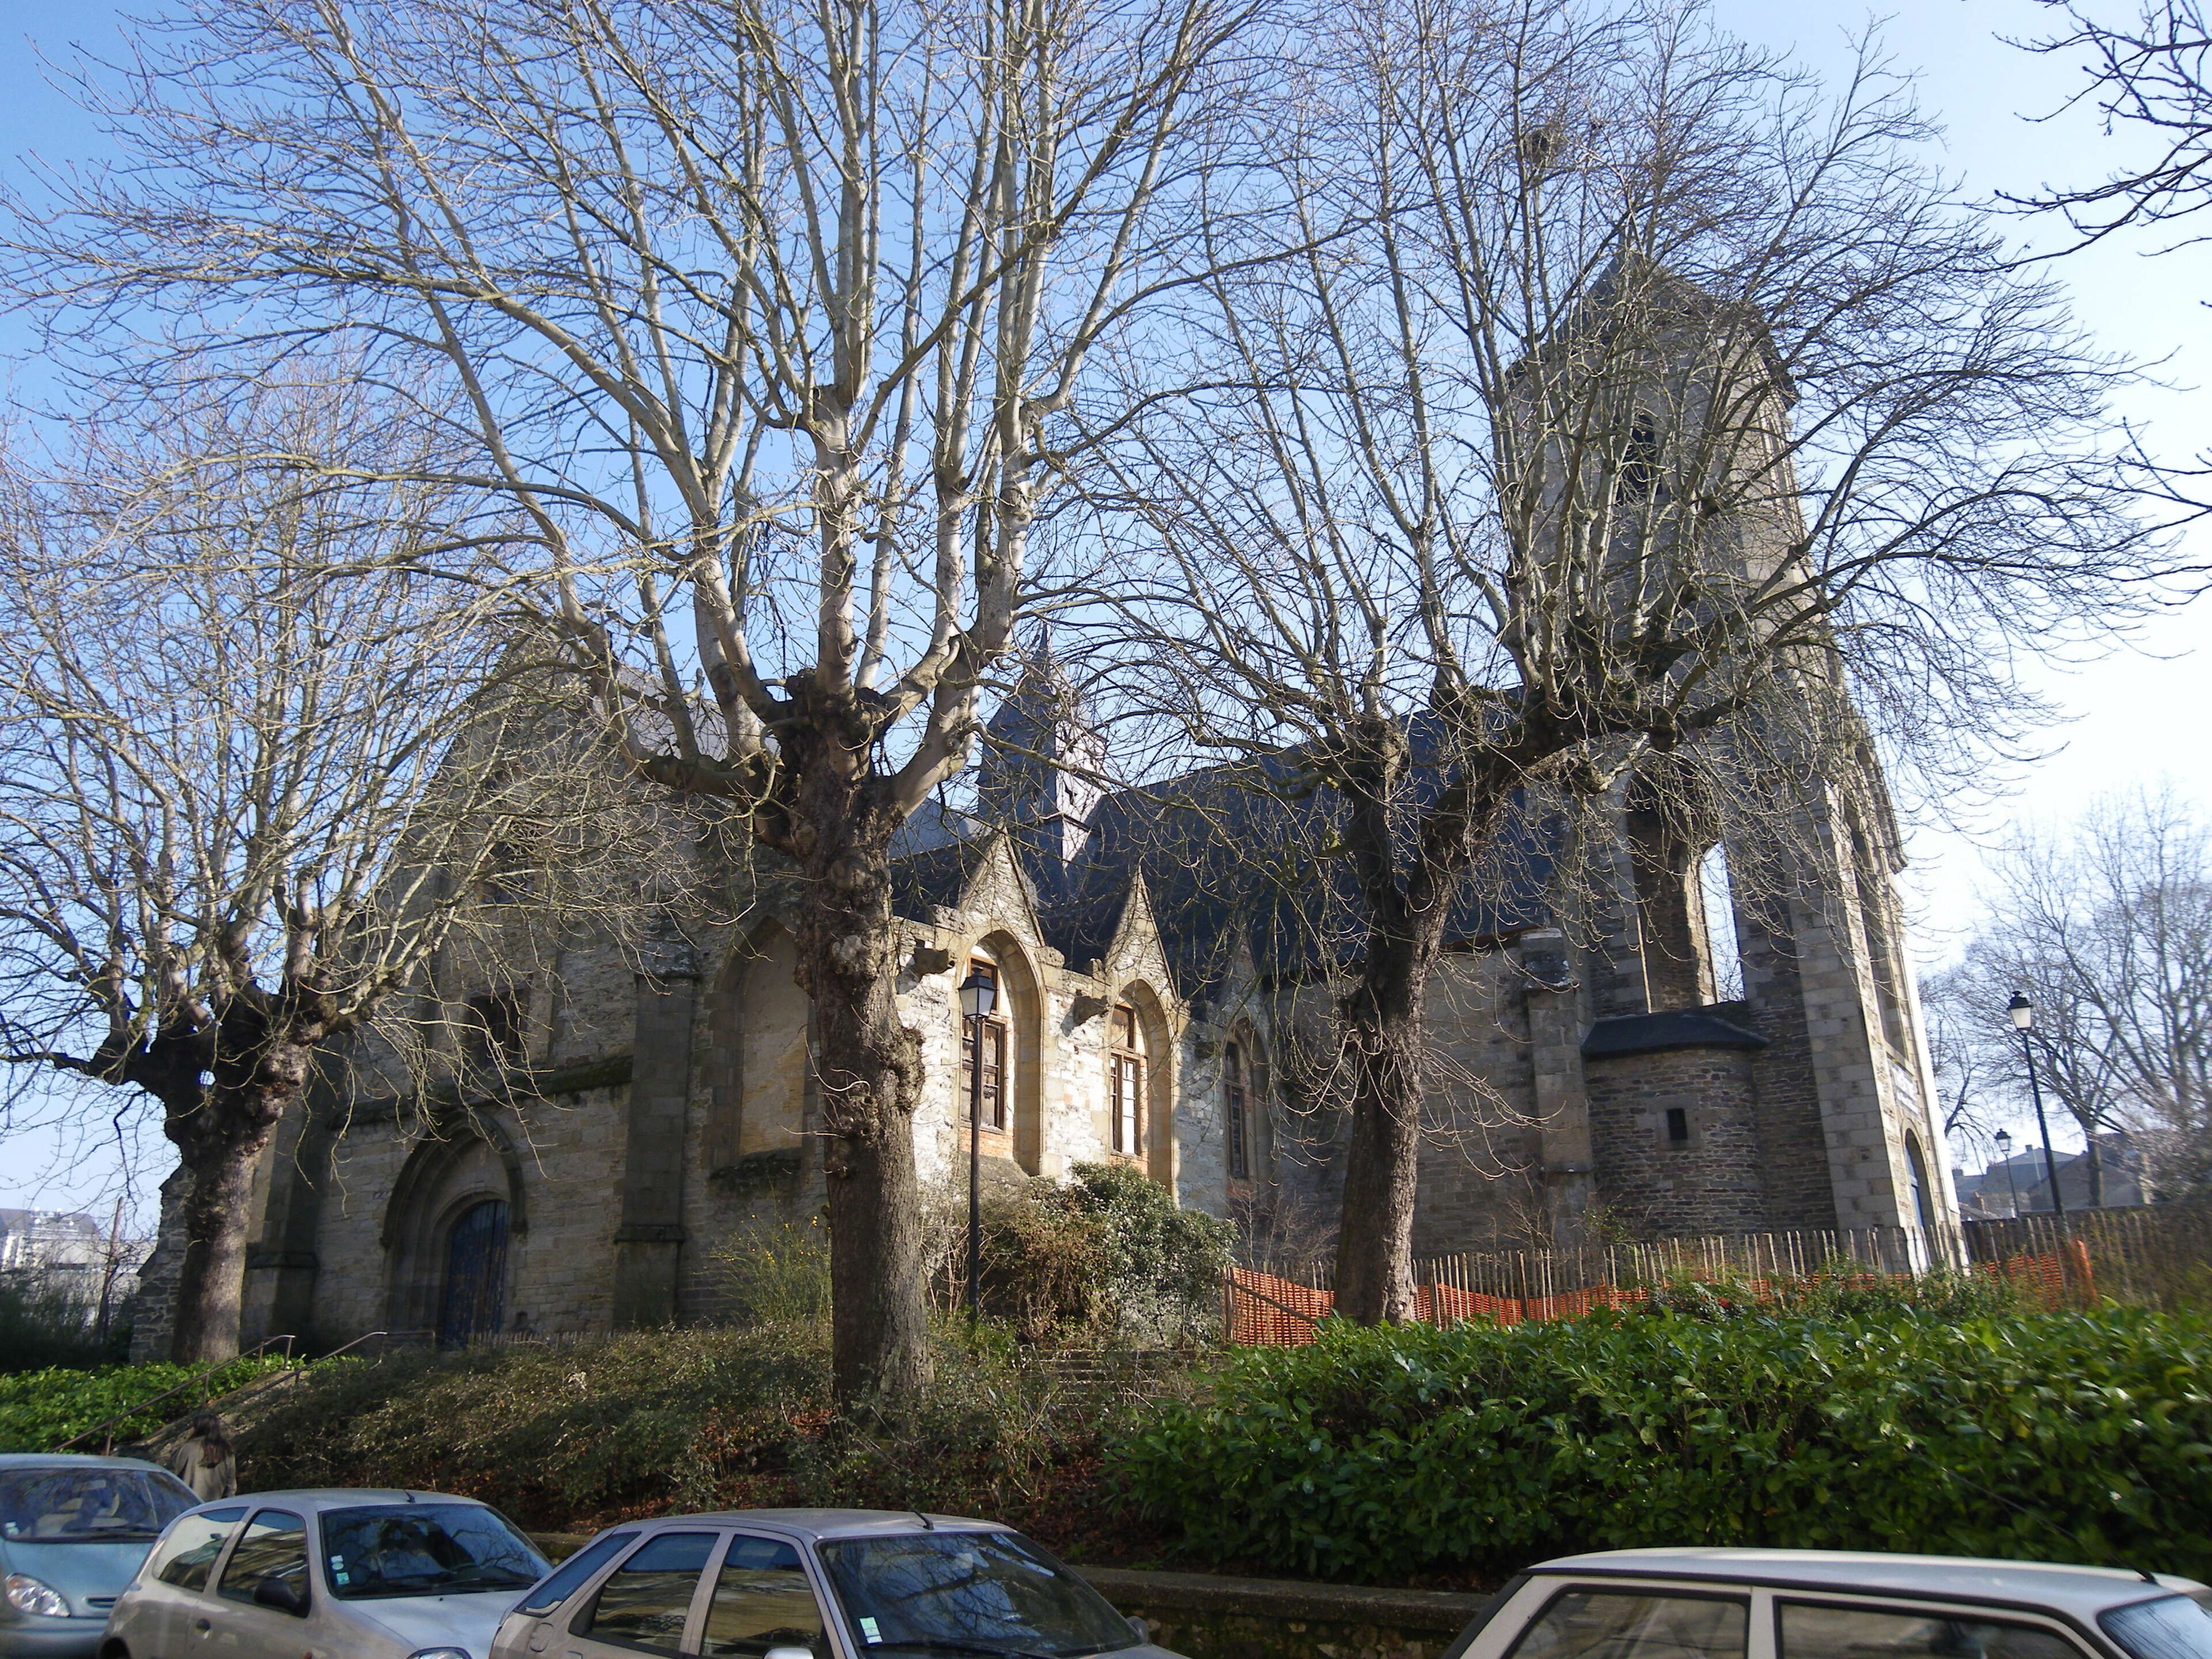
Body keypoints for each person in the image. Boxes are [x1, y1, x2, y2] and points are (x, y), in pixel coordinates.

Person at [168, 1411, 236, 1502]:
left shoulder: (185, 1450)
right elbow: (231, 1487)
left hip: (188, 1508)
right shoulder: (226, 1451)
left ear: (198, 1428)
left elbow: (169, 1480)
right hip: (215, 1509)